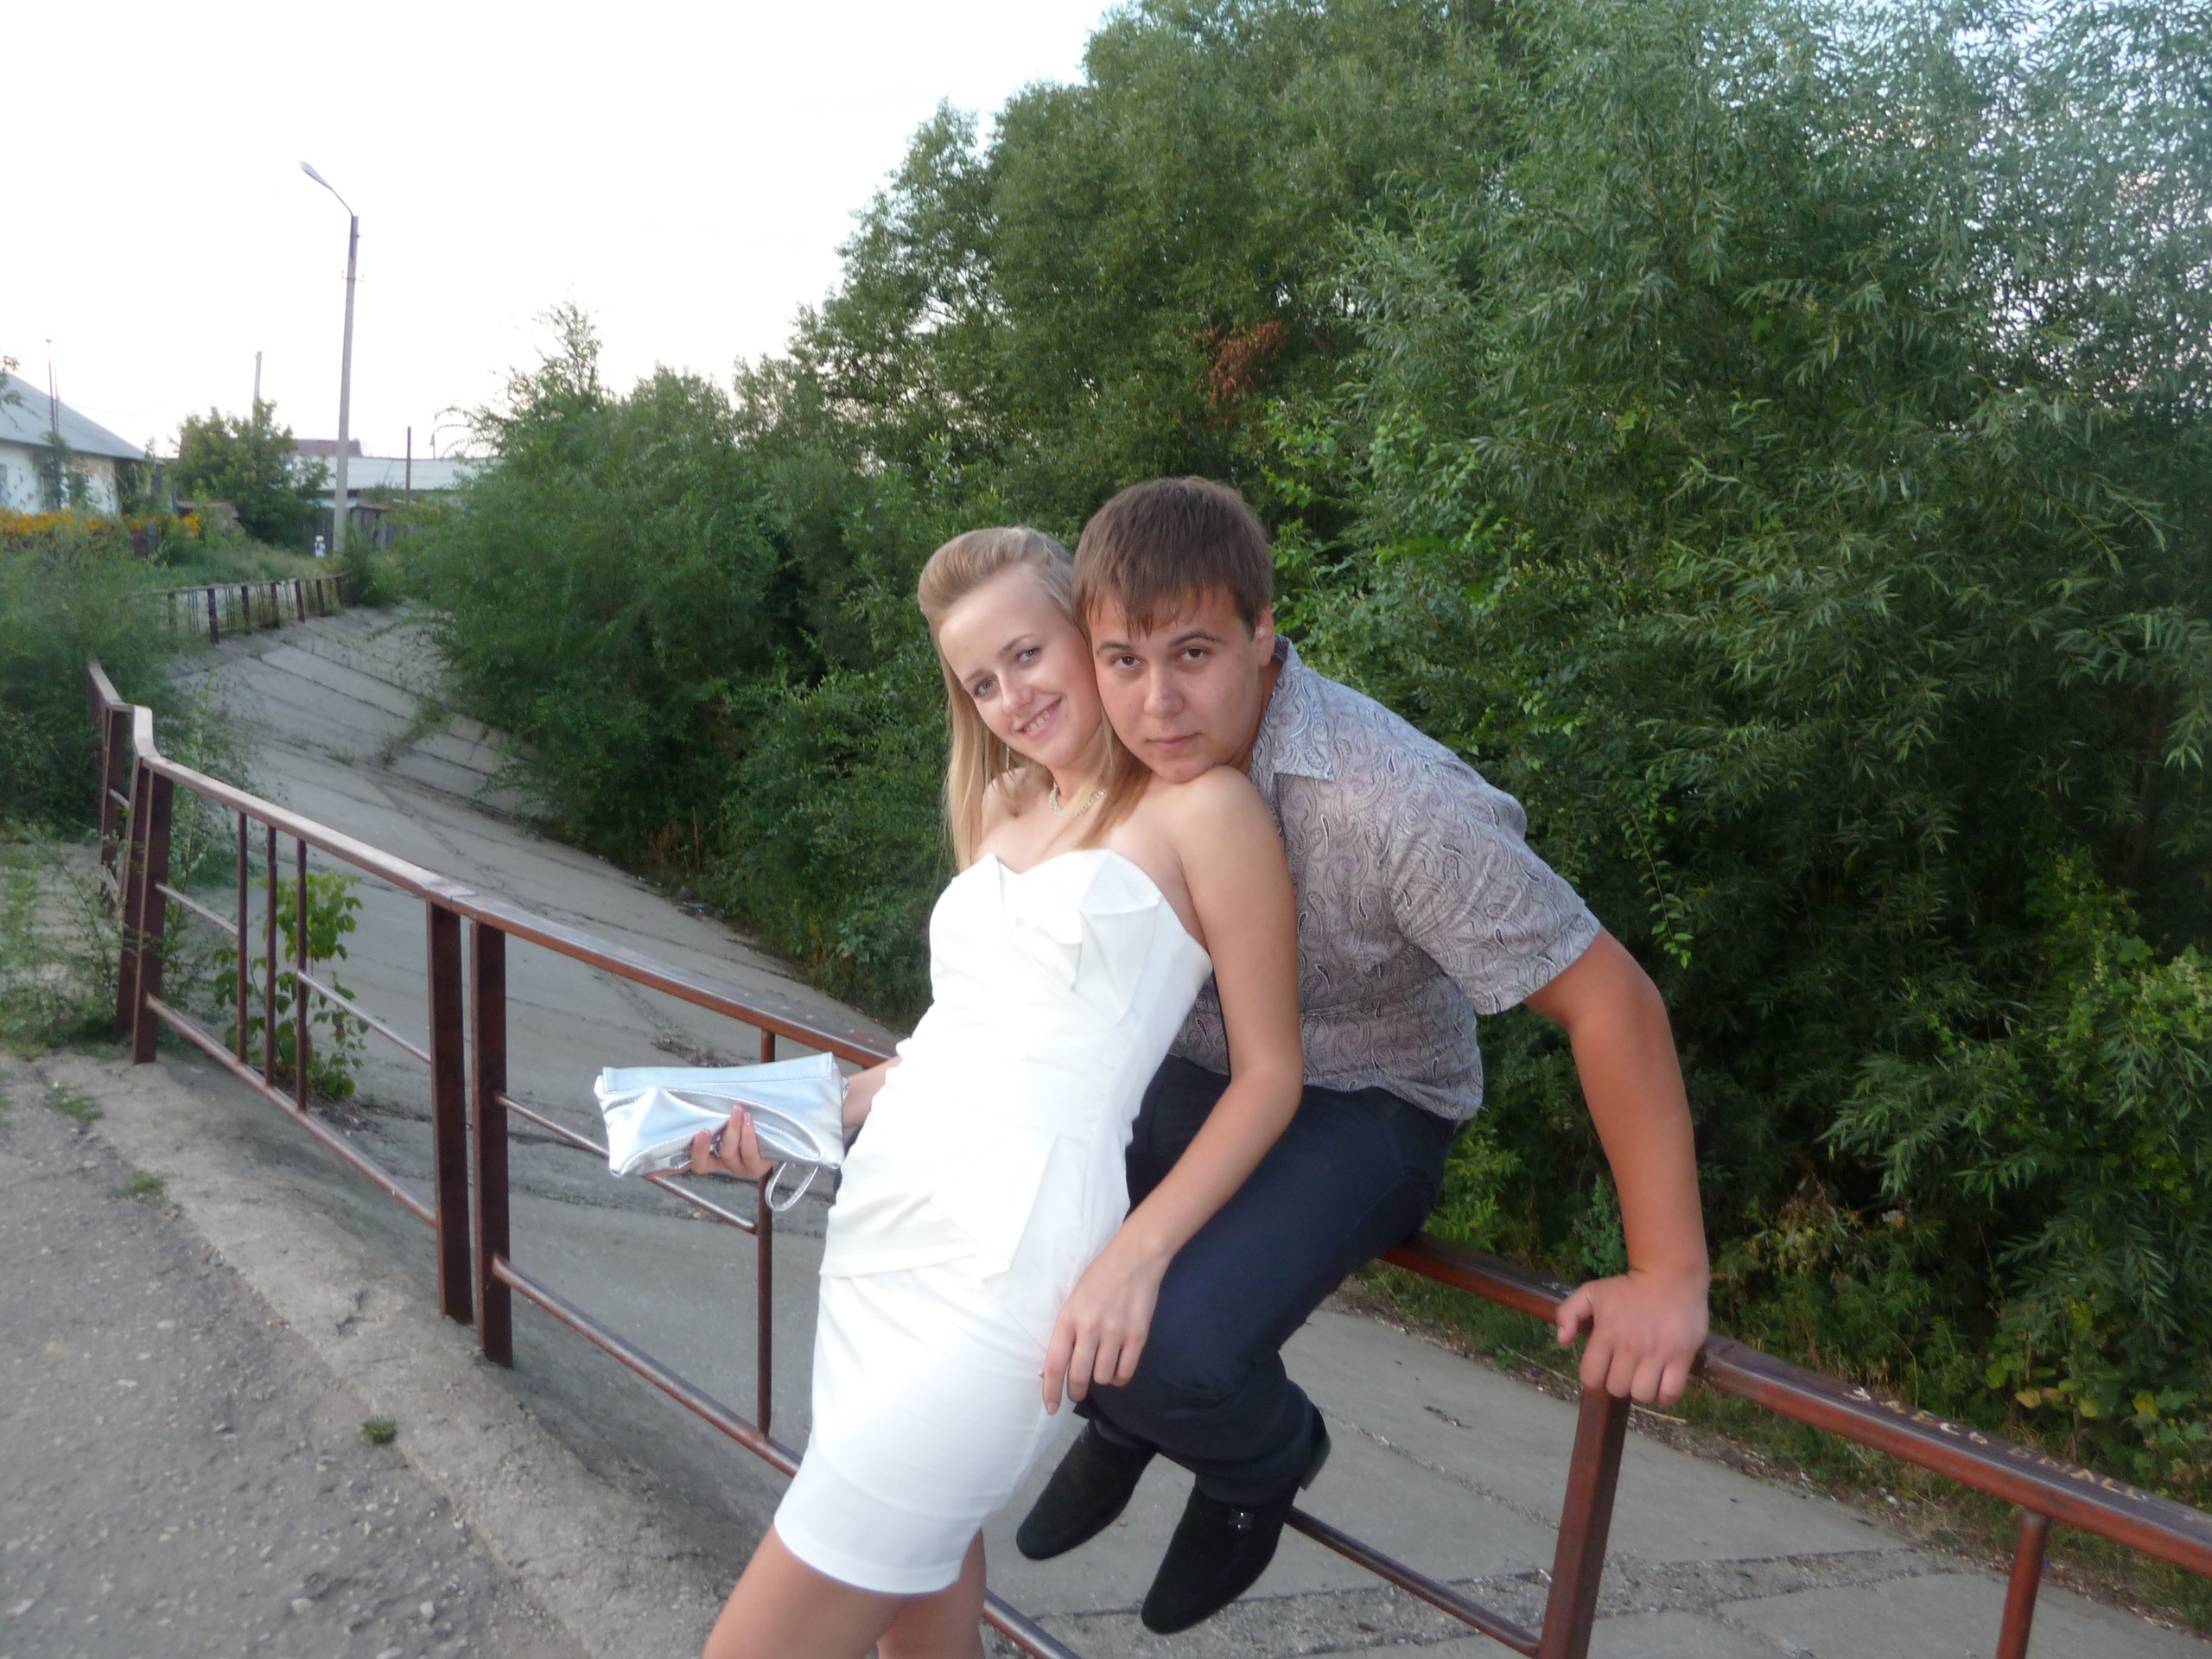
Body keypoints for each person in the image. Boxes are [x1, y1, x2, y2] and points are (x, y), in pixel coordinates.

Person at [1012, 477, 1711, 1634]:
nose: (1158, 702)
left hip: (1367, 1097)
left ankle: (1256, 1456)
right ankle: (1125, 1421)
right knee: (1033, 1245)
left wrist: (1667, 1275)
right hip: (1195, 1070)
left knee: (1177, 1352)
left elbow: (1615, 1003)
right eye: (1124, 661)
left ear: (1263, 632)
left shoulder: (1391, 804)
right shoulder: (1109, 744)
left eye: (1195, 655)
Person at [686, 526, 1305, 1659]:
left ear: (1087, 630)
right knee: (919, 1598)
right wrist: (789, 1116)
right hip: (886, 1236)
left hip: (1011, 1263)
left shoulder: (1204, 812)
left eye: (1026, 654)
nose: (1011, 698)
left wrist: (1137, 1257)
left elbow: (1270, 1077)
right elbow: (949, 1048)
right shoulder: (1001, 808)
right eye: (980, 682)